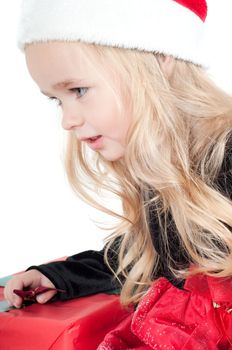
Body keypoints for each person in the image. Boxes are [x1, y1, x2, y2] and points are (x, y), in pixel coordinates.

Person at [4, 0, 232, 348]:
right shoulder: (162, 172)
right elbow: (142, 259)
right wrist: (62, 276)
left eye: (78, 90)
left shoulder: (224, 155)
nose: (68, 120)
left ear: (158, 56)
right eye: (57, 100)